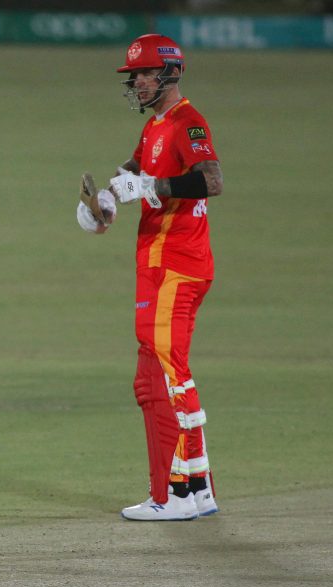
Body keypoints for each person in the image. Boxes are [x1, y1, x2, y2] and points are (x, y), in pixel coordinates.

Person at [76, 34, 223, 521]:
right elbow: (130, 173)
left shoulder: (188, 122)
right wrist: (104, 203)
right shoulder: (154, 127)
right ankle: (198, 487)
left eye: (143, 73)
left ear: (170, 73)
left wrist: (149, 187)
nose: (137, 82)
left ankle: (176, 494)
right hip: (158, 262)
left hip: (178, 263)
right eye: (133, 75)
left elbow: (211, 180)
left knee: (167, 370)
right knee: (160, 370)